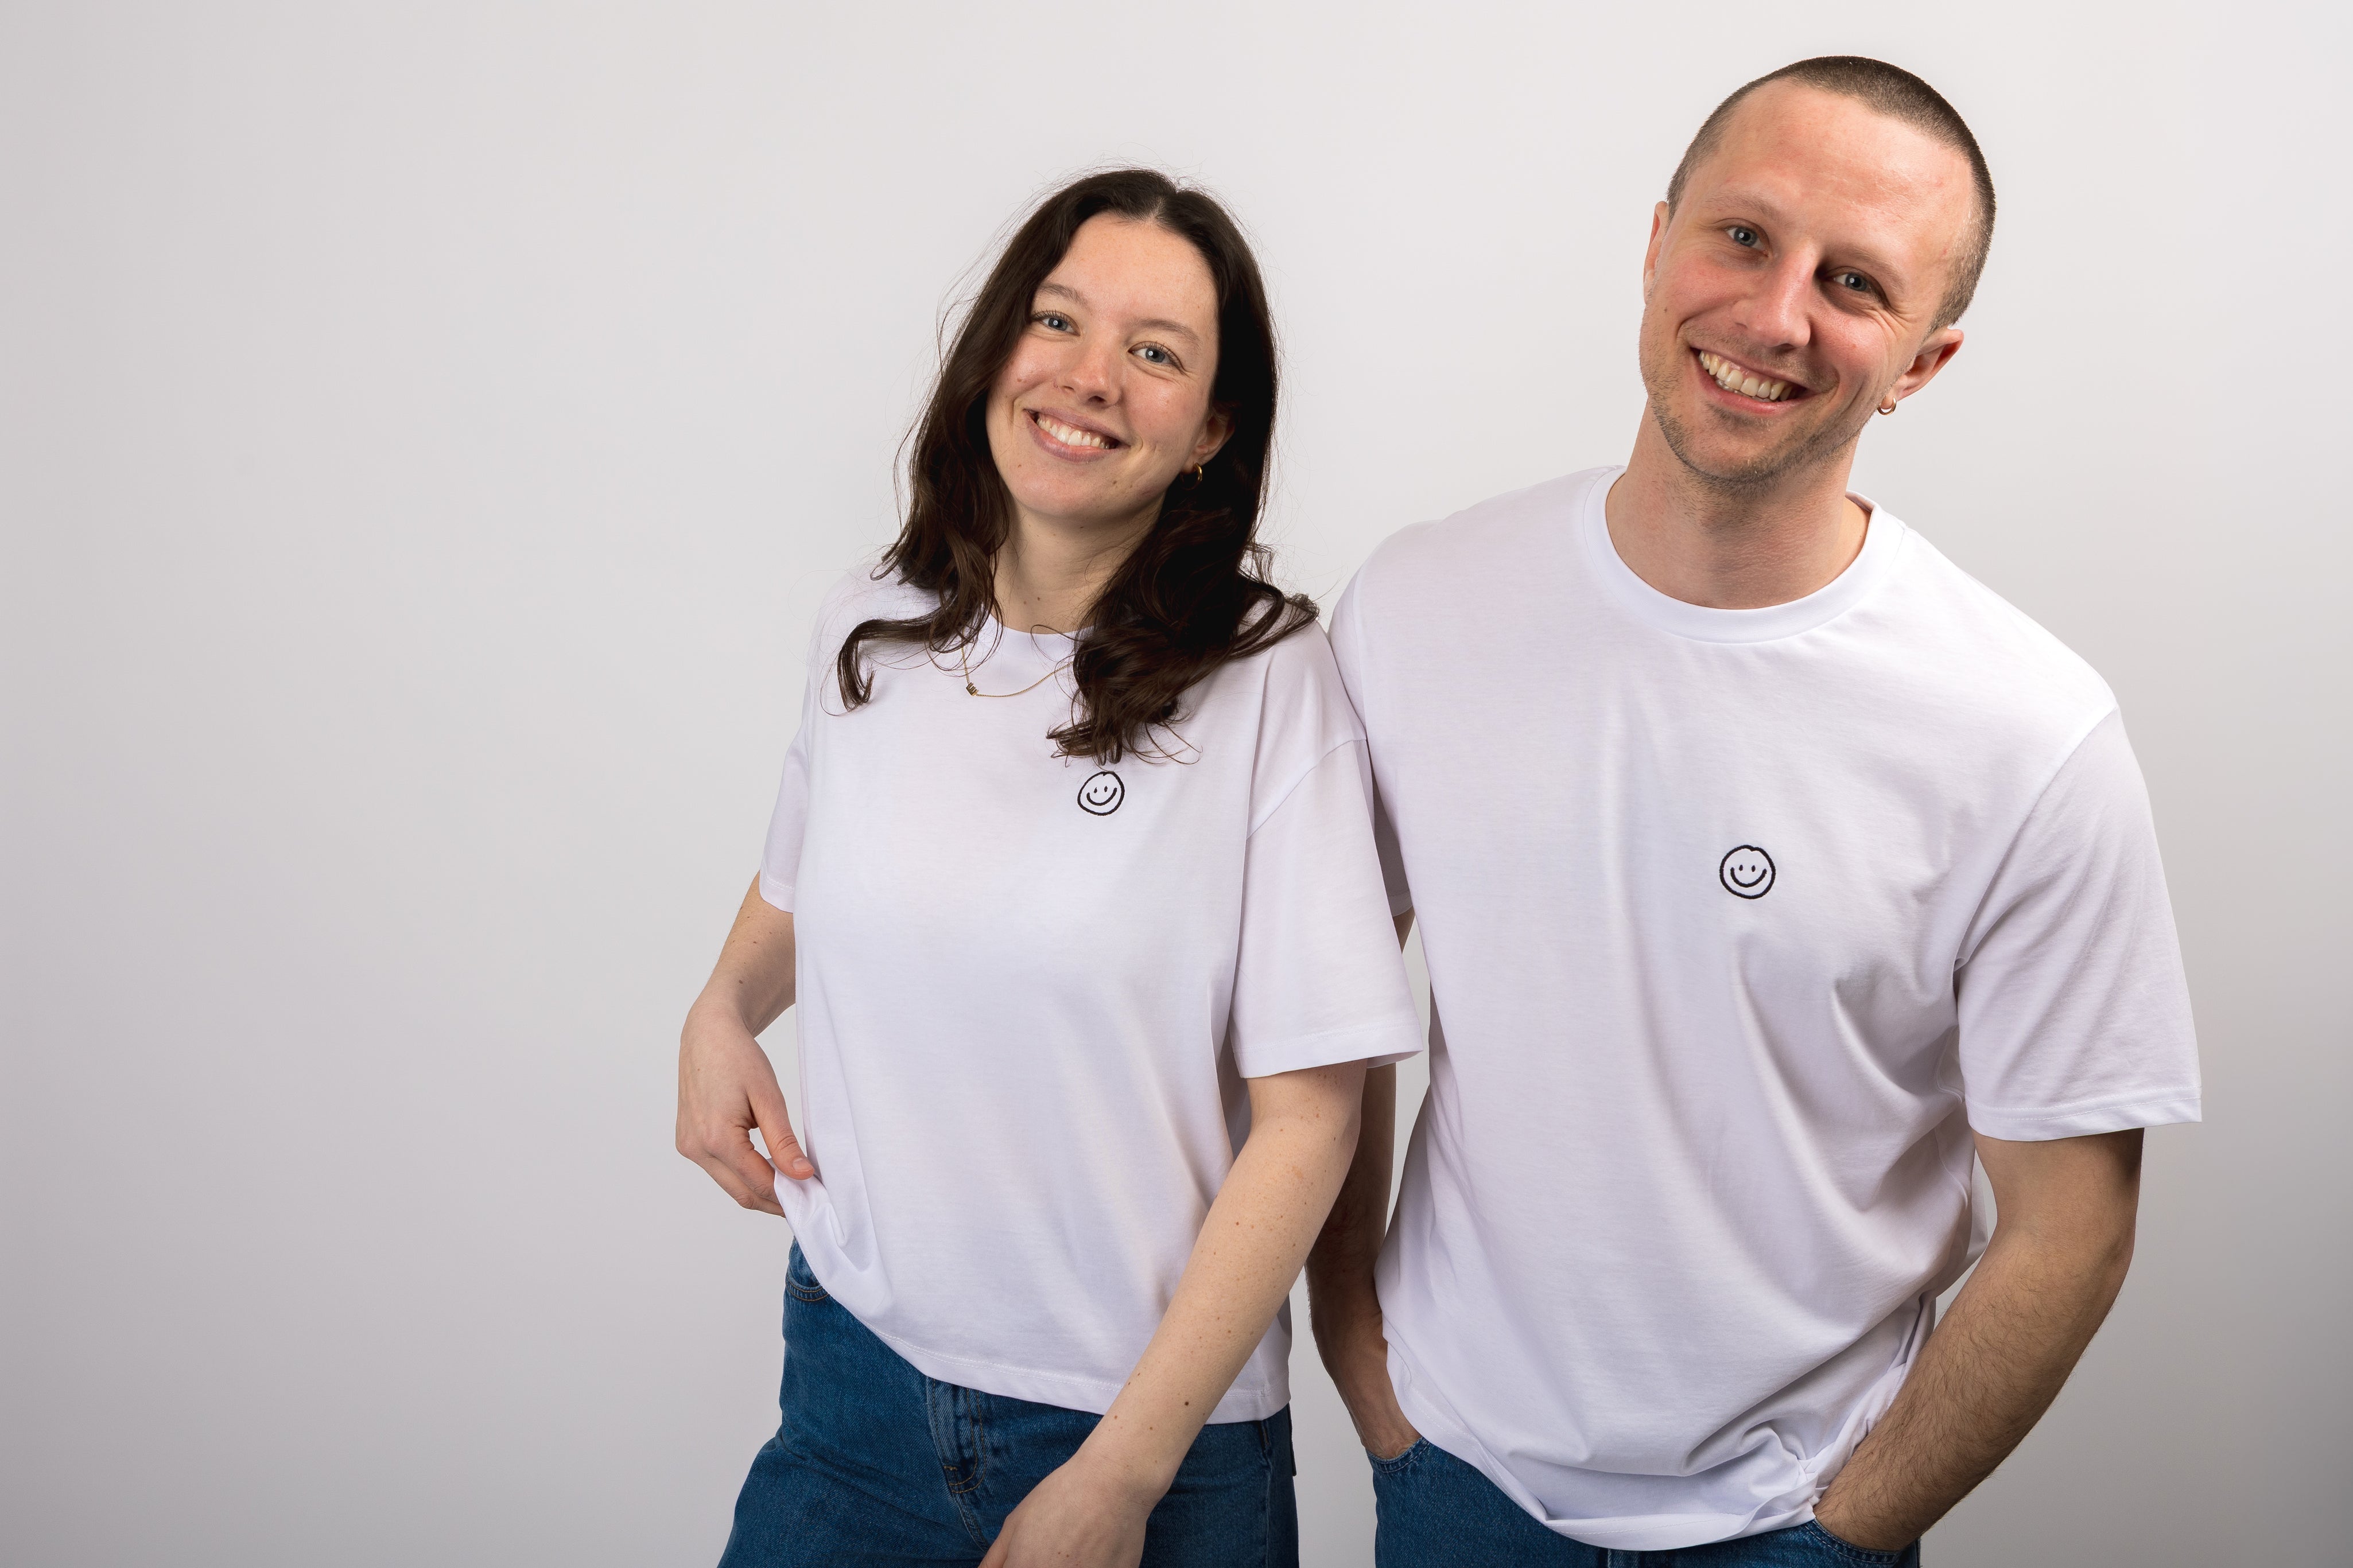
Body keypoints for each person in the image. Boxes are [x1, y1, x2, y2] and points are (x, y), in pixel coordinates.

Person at [1308, 56, 2201, 1566]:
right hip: (1453, 1480)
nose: (1775, 314)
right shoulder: (1416, 604)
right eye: (1741, 237)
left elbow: (2071, 1222)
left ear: (1922, 359)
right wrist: (1365, 1364)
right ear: (1655, 243)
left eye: (1853, 282)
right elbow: (1314, 1014)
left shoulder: (2026, 731)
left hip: (1788, 1525)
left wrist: (1849, 1527)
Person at [676, 169, 1420, 1568]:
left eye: (1155, 353)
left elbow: (1312, 1118)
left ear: (1211, 429)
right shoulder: (878, 624)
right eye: (1058, 321)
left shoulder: (1269, 685)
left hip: (1146, 1435)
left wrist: (1121, 1474)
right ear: (994, 351)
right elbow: (798, 882)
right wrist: (719, 1007)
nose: (1089, 378)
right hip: (850, 1379)